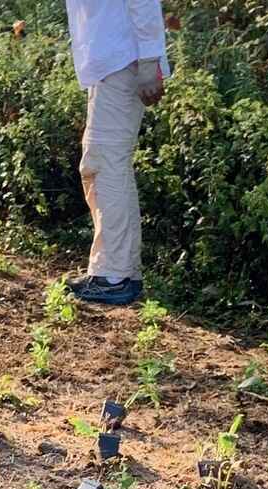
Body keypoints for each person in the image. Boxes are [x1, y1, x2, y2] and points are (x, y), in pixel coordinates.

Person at [63, 0, 169, 307]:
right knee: (101, 163)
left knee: (106, 164)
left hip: (124, 62)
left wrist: (150, 59)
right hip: (111, 63)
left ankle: (115, 276)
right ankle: (118, 271)